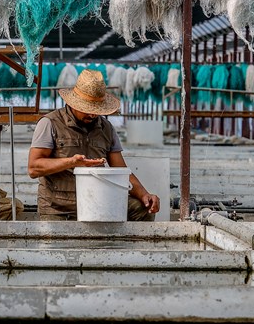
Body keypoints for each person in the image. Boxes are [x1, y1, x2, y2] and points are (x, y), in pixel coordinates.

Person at [28, 69, 161, 221]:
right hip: (59, 208)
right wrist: (71, 162)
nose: (92, 115)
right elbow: (33, 168)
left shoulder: (106, 128)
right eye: (87, 109)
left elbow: (121, 170)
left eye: (96, 110)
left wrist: (145, 194)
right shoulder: (50, 123)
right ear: (73, 102)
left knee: (141, 209)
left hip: (97, 201)